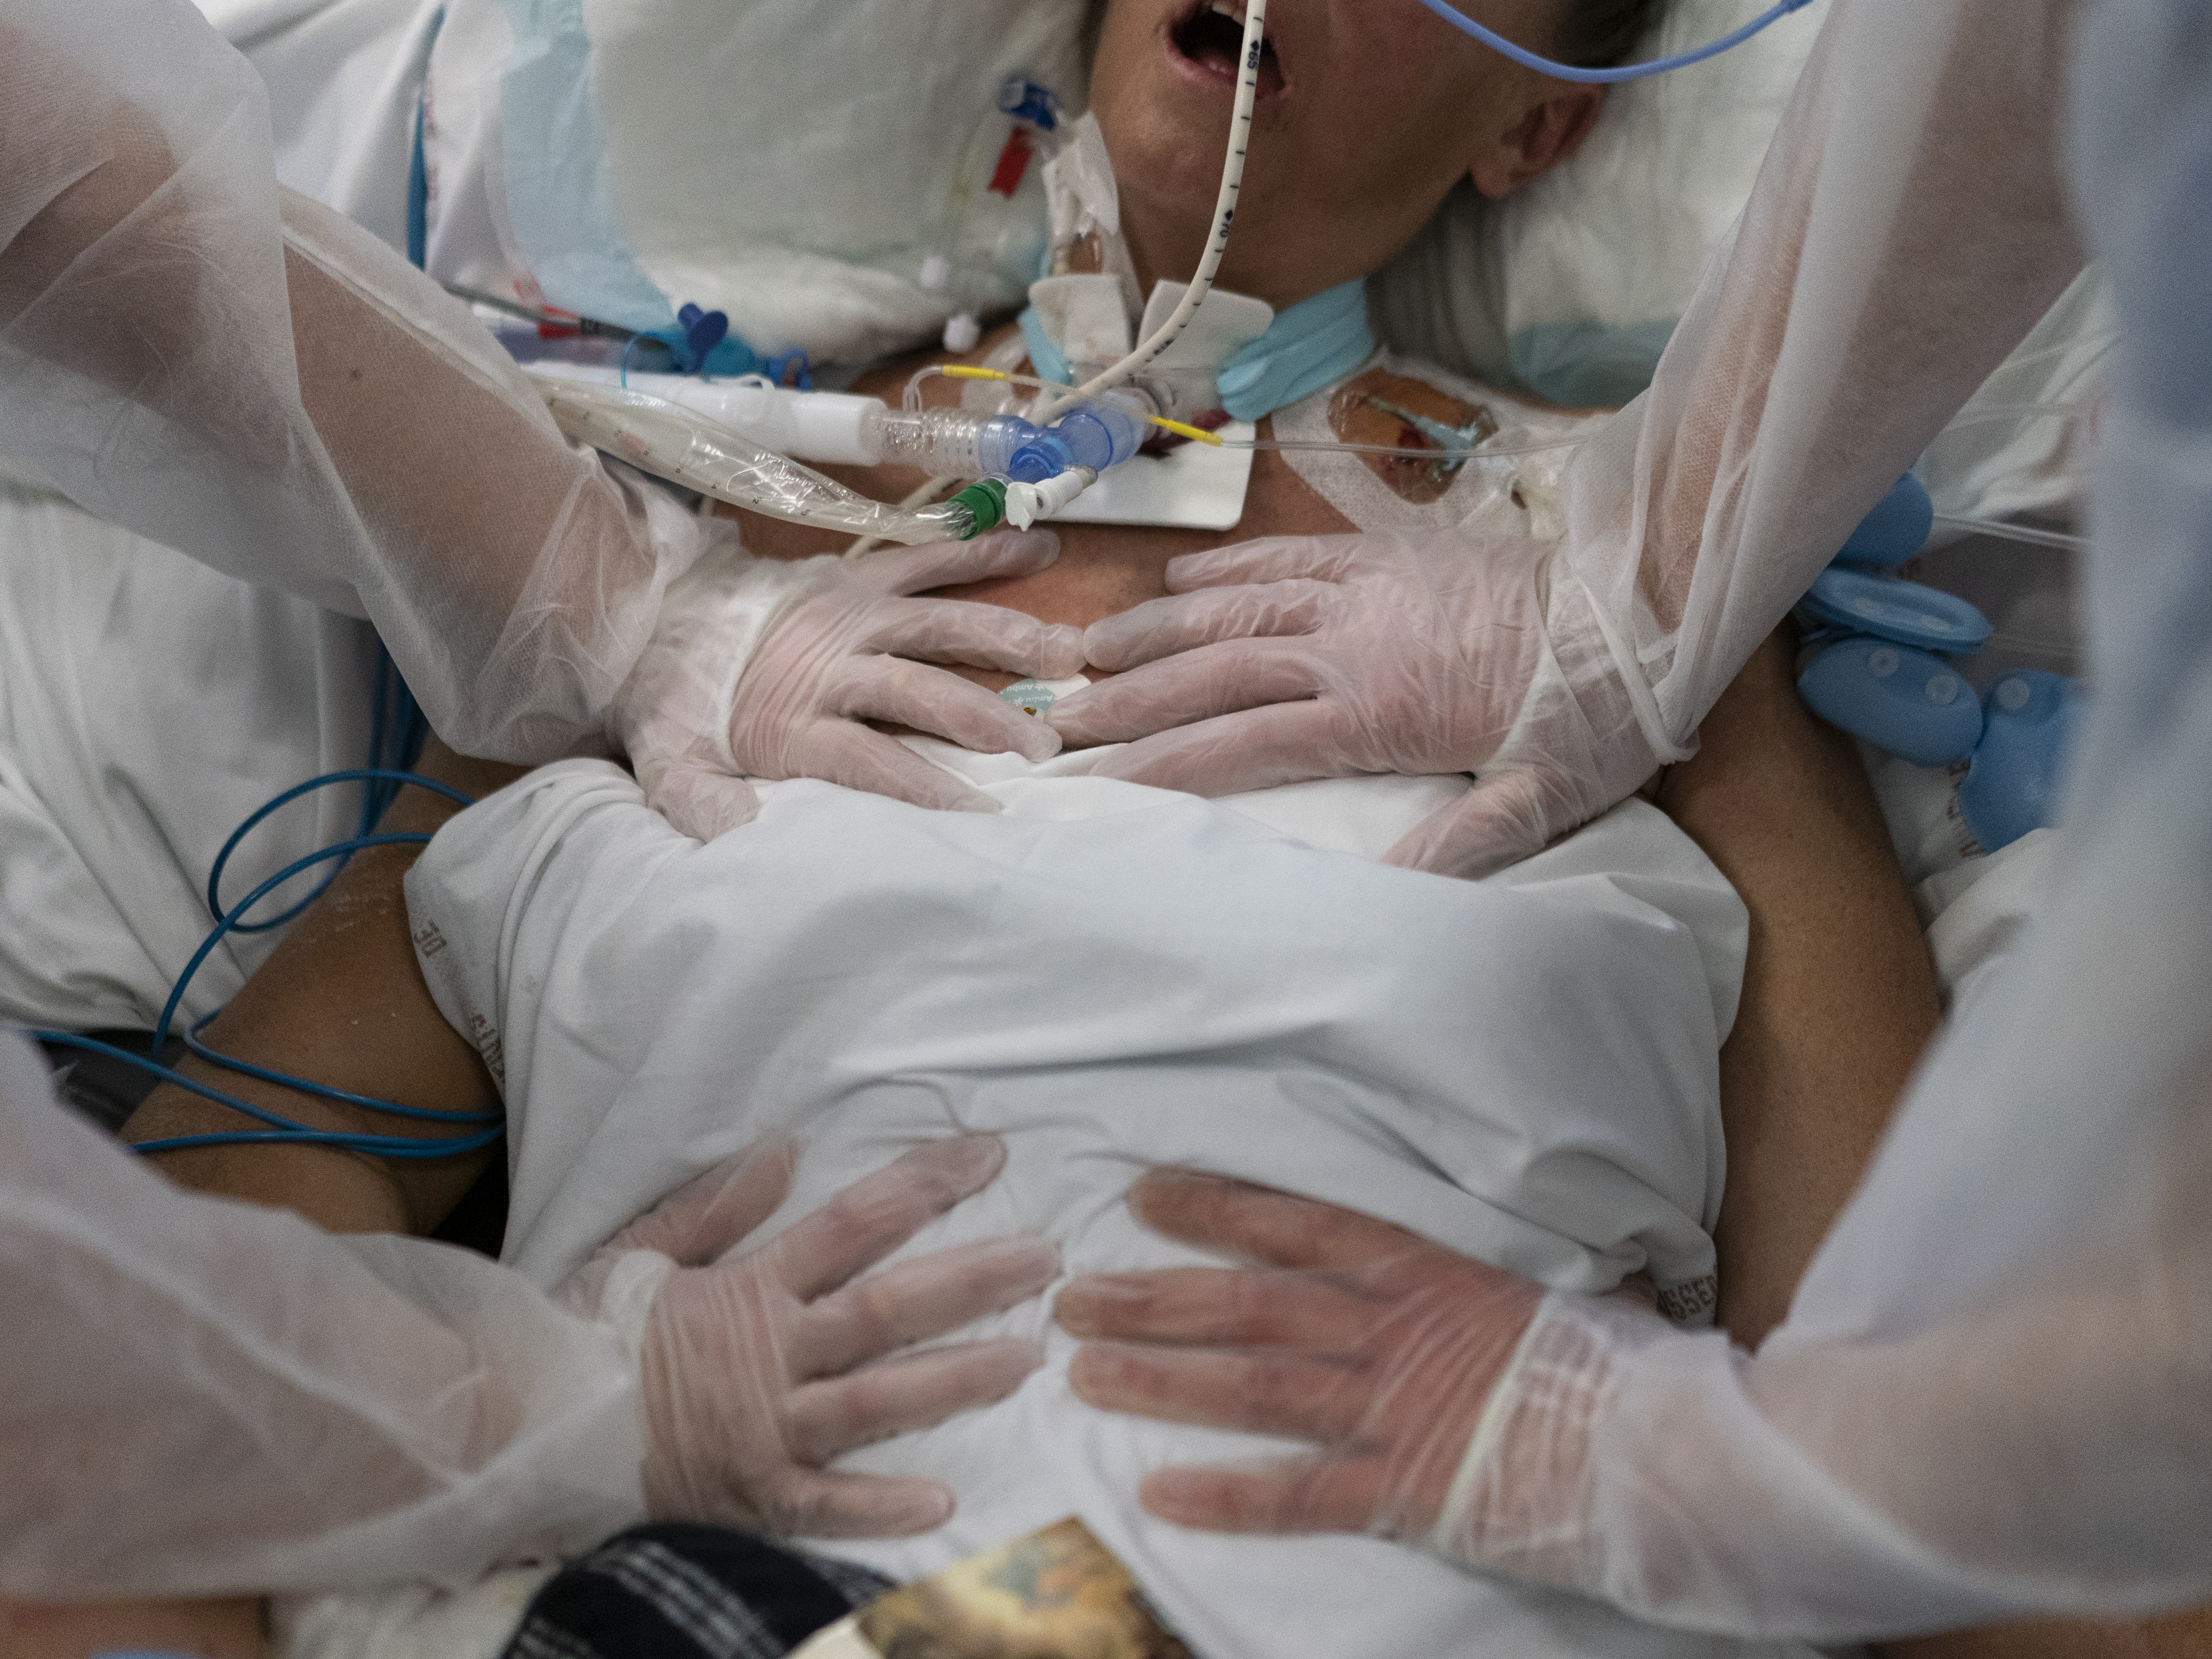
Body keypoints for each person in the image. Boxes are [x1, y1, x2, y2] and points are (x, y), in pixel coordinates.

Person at [8, 3, 1970, 1653]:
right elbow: (173, 1269)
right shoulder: (654, 559)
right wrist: (515, 1411)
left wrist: (1630, 1453)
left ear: (1533, 120)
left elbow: (1933, 1396)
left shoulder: (1644, 612)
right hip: (691, 1576)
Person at [1043, 0, 2212, 1645]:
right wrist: (596, 1403)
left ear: (1532, 127)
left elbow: (1921, 1394)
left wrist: (1665, 1468)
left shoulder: (1658, 570)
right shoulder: (661, 510)